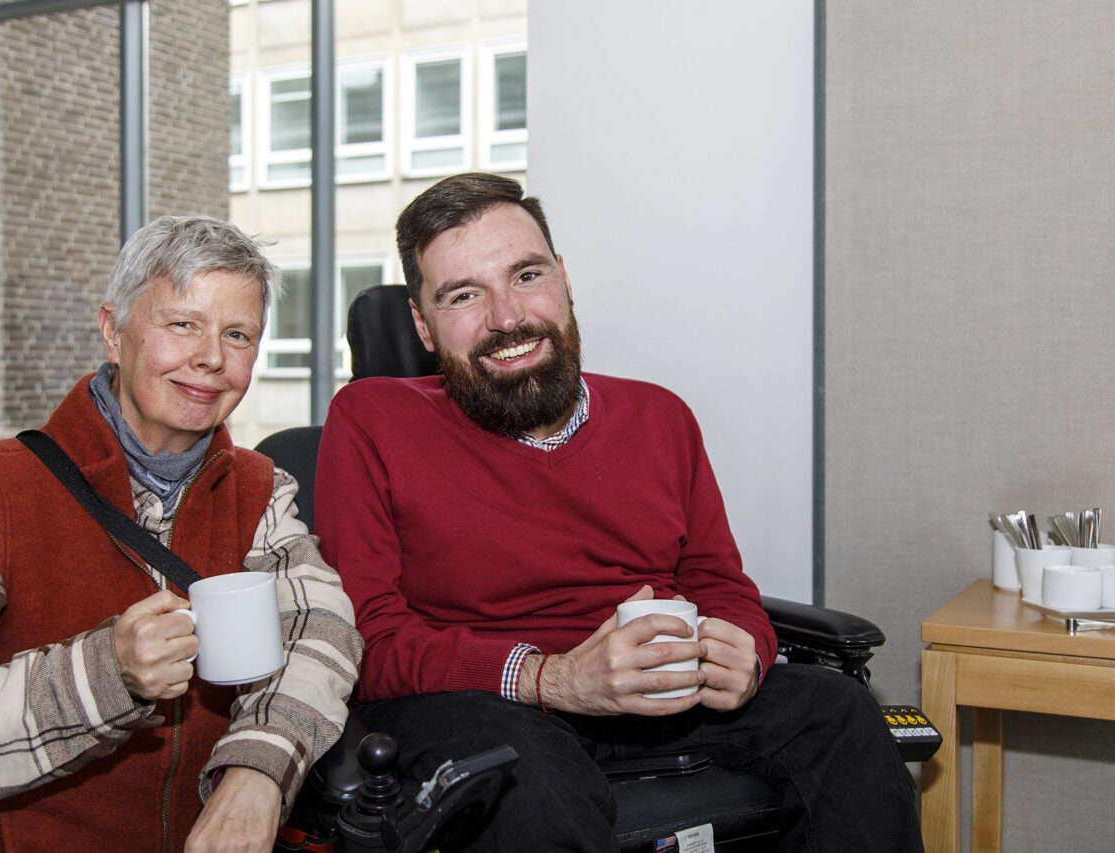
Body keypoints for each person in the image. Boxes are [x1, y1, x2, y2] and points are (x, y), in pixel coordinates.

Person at [314, 173, 921, 851]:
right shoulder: (370, 420)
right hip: (490, 706)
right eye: (464, 295)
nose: (508, 317)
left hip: (659, 696)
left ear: (564, 278)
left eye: (526, 274)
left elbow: (720, 585)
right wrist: (553, 678)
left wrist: (744, 650)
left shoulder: (660, 416)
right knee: (521, 782)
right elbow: (369, 640)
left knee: (841, 712)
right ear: (424, 326)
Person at [0, 215, 363, 852]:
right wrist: (102, 674)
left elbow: (321, 630)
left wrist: (257, 770)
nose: (212, 358)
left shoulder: (262, 490)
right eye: (182, 324)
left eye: (238, 334)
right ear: (113, 332)